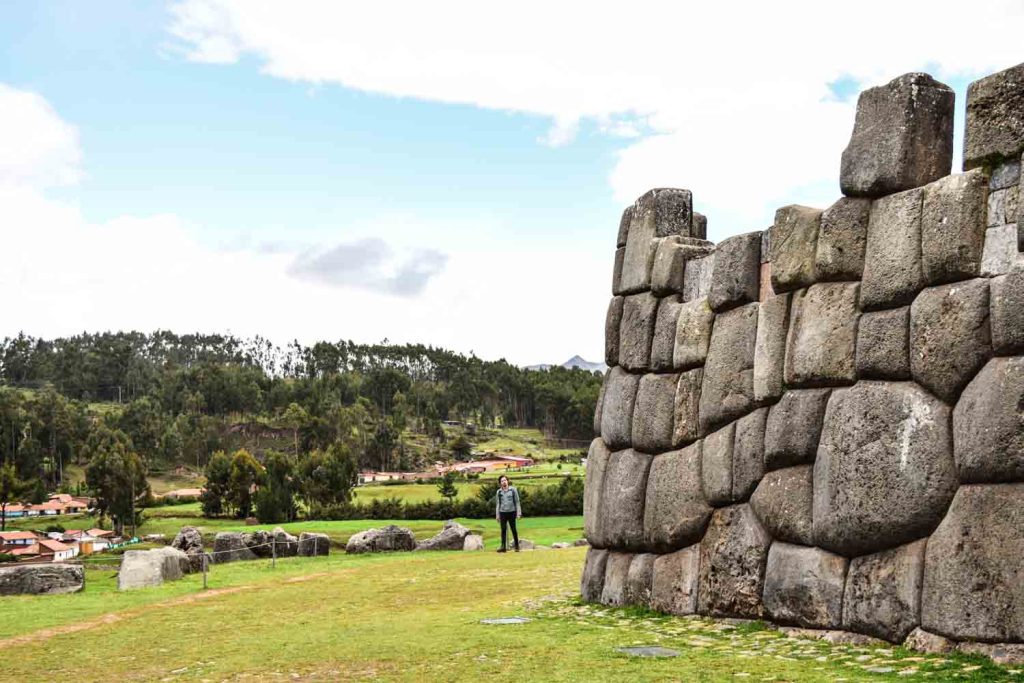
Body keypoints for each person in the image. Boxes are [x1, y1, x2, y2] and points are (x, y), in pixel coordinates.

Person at [495, 474, 522, 552]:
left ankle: (517, 546)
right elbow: (498, 504)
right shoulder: (499, 492)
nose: (504, 482)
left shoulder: (513, 490)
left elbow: (517, 502)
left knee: (513, 529)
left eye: (505, 480)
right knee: (503, 530)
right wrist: (497, 515)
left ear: (507, 481)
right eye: (502, 481)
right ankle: (503, 547)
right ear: (500, 483)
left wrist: (518, 513)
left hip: (512, 512)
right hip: (502, 513)